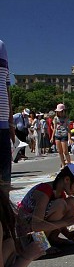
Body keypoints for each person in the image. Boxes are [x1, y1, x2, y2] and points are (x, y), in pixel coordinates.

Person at [16, 163, 74, 249]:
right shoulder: (44, 191)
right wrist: (67, 222)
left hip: (34, 229)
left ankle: (52, 239)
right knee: (60, 205)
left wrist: (69, 234)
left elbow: (56, 219)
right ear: (67, 179)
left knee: (73, 202)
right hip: (25, 233)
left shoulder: (59, 194)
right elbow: (36, 226)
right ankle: (41, 246)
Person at [0, 40, 14, 191]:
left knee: (4, 180)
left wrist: (10, 122)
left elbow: (6, 85)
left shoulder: (1, 46)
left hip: (3, 124)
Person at [52, 103, 71, 169]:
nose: (59, 113)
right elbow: (54, 128)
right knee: (59, 151)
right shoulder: (55, 118)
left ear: (63, 111)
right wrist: (52, 137)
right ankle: (63, 164)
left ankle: (69, 164)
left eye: (60, 111)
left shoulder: (66, 119)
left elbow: (68, 129)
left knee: (65, 151)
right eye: (58, 112)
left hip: (64, 135)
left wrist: (69, 138)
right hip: (57, 135)